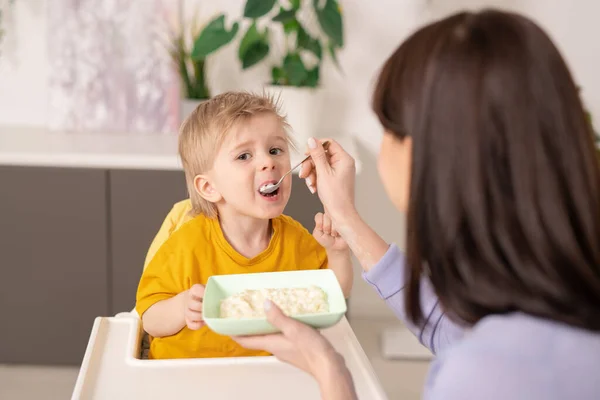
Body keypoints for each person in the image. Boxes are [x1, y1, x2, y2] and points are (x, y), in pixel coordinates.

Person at [232, 9, 600, 399]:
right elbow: (451, 328)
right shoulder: (544, 309)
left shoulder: (489, 374)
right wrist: (345, 215)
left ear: (433, 150)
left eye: (388, 127)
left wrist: (332, 374)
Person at [135, 91, 353, 359]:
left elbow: (332, 295)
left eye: (275, 150)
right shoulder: (186, 244)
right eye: (244, 156)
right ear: (209, 187)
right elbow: (148, 318)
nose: (268, 162)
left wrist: (339, 253)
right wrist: (181, 307)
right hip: (190, 375)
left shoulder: (295, 240)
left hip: (269, 373)